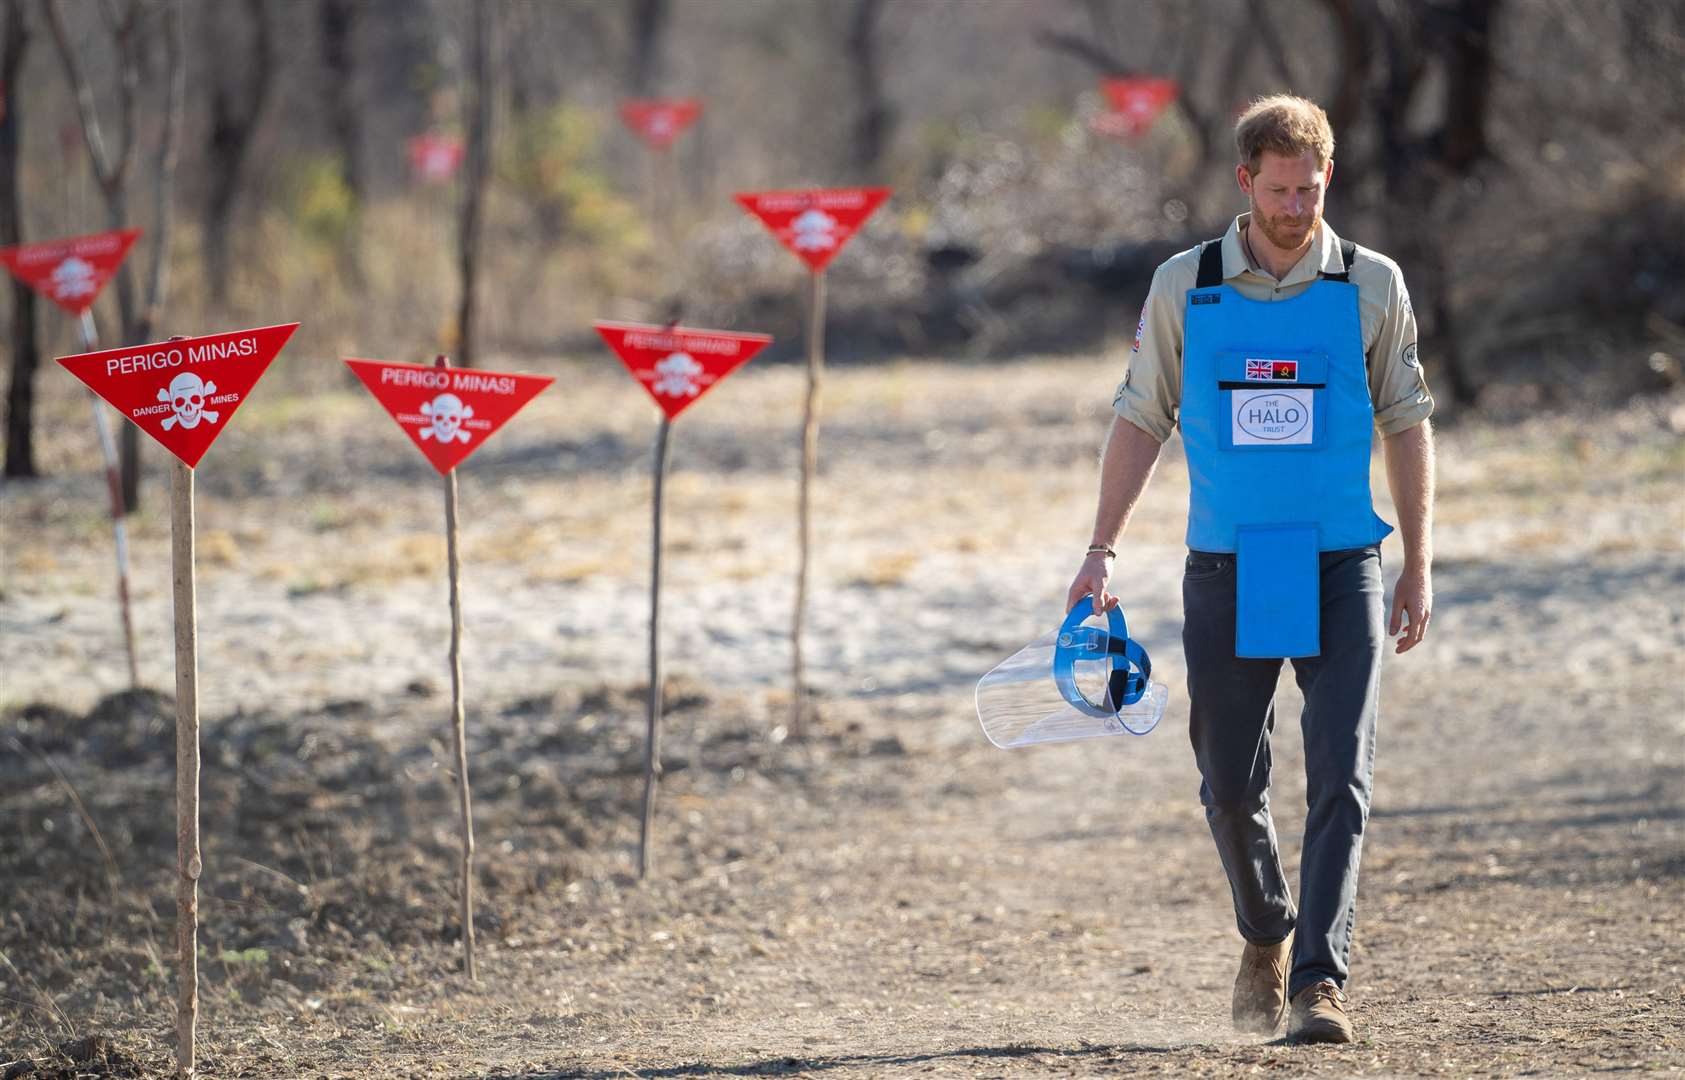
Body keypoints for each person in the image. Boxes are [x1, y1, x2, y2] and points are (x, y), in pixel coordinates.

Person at [1066, 94, 1436, 1044]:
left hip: (1341, 561)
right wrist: (1100, 550)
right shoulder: (1182, 285)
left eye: (1309, 189)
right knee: (1227, 783)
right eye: (1277, 191)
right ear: (1243, 183)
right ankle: (1267, 928)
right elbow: (1140, 417)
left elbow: (1407, 420)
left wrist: (1417, 562)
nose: (1294, 207)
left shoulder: (1370, 282)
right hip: (1228, 566)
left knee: (1342, 778)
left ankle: (1319, 982)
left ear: (1327, 179)